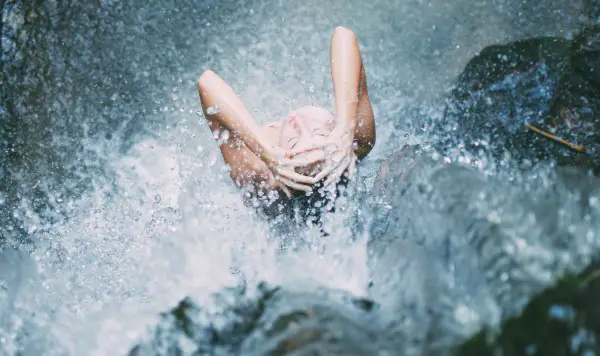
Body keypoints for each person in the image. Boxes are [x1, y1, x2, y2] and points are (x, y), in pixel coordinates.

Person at [196, 26, 375, 210]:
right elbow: (343, 34)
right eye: (318, 134)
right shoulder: (355, 142)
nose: (298, 122)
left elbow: (207, 82)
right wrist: (346, 125)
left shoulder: (259, 177)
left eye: (293, 140)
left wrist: (265, 152)